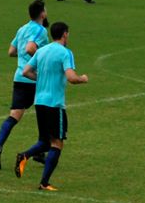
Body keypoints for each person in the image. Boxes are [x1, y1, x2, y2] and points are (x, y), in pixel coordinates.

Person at [14, 22, 89, 191]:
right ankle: (44, 183)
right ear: (64, 34)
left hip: (39, 102)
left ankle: (24, 156)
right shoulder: (65, 53)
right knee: (57, 143)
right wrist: (82, 78)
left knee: (44, 141)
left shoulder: (41, 51)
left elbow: (26, 71)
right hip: (55, 104)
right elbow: (71, 77)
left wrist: (40, 79)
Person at [0, 1, 49, 169]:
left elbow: (11, 51)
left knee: (14, 115)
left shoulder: (22, 29)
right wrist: (43, 58)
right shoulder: (41, 30)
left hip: (19, 77)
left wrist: (23, 56)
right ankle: (39, 150)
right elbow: (31, 48)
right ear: (42, 13)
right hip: (34, 78)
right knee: (43, 111)